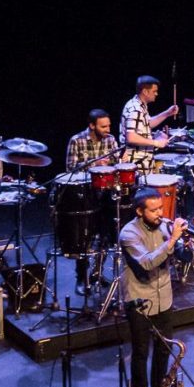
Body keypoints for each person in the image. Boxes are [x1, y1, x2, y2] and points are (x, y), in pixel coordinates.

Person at [119, 187, 191, 387]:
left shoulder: (164, 227)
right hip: (140, 300)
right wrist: (172, 240)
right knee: (141, 351)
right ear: (140, 211)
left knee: (164, 349)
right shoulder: (128, 234)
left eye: (161, 208)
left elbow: (181, 256)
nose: (159, 213)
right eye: (153, 210)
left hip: (164, 299)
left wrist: (185, 245)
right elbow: (148, 263)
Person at [66, 109, 121, 295]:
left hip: (106, 195)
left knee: (104, 235)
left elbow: (117, 163)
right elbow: (71, 169)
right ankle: (82, 277)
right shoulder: (77, 140)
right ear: (92, 126)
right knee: (84, 238)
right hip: (85, 195)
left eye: (109, 125)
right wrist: (95, 165)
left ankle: (98, 273)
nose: (107, 129)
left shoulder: (111, 140)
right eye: (103, 126)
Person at [120, 75, 179, 168]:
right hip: (136, 162)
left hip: (141, 160)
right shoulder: (135, 109)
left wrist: (167, 113)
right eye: (154, 91)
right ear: (145, 91)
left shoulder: (139, 105)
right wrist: (156, 142)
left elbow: (148, 123)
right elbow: (131, 137)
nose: (157, 94)